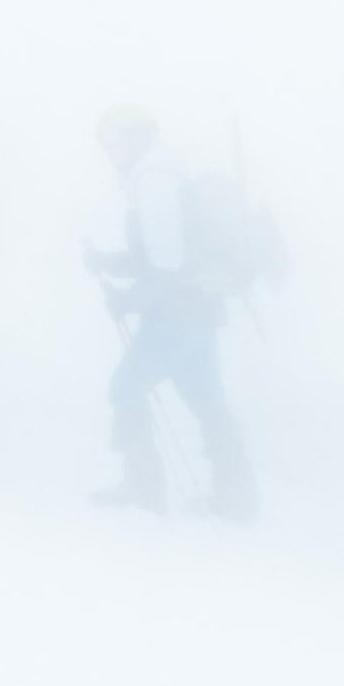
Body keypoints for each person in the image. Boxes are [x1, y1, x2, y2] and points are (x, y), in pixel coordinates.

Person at [84, 104, 257, 520]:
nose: (108, 151)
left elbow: (165, 265)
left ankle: (144, 489)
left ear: (130, 137)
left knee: (124, 390)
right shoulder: (170, 172)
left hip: (172, 317)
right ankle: (237, 500)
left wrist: (126, 301)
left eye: (110, 141)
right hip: (200, 311)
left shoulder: (154, 179)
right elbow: (163, 254)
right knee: (208, 401)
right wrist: (110, 263)